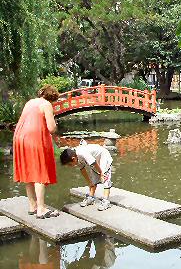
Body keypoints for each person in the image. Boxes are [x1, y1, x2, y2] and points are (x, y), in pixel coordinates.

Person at [13, 84, 60, 219]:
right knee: (39, 172)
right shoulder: (46, 104)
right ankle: (41, 209)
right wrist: (55, 125)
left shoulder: (30, 102)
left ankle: (32, 206)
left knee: (29, 172)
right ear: (52, 97)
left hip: (20, 137)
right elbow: (51, 128)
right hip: (34, 138)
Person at [60, 142, 113, 211]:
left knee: (105, 177)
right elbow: (82, 169)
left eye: (70, 164)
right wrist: (89, 182)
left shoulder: (82, 153)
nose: (70, 166)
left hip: (103, 156)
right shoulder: (76, 157)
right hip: (95, 160)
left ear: (73, 159)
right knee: (93, 178)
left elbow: (93, 162)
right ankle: (91, 197)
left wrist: (101, 173)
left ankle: (106, 201)